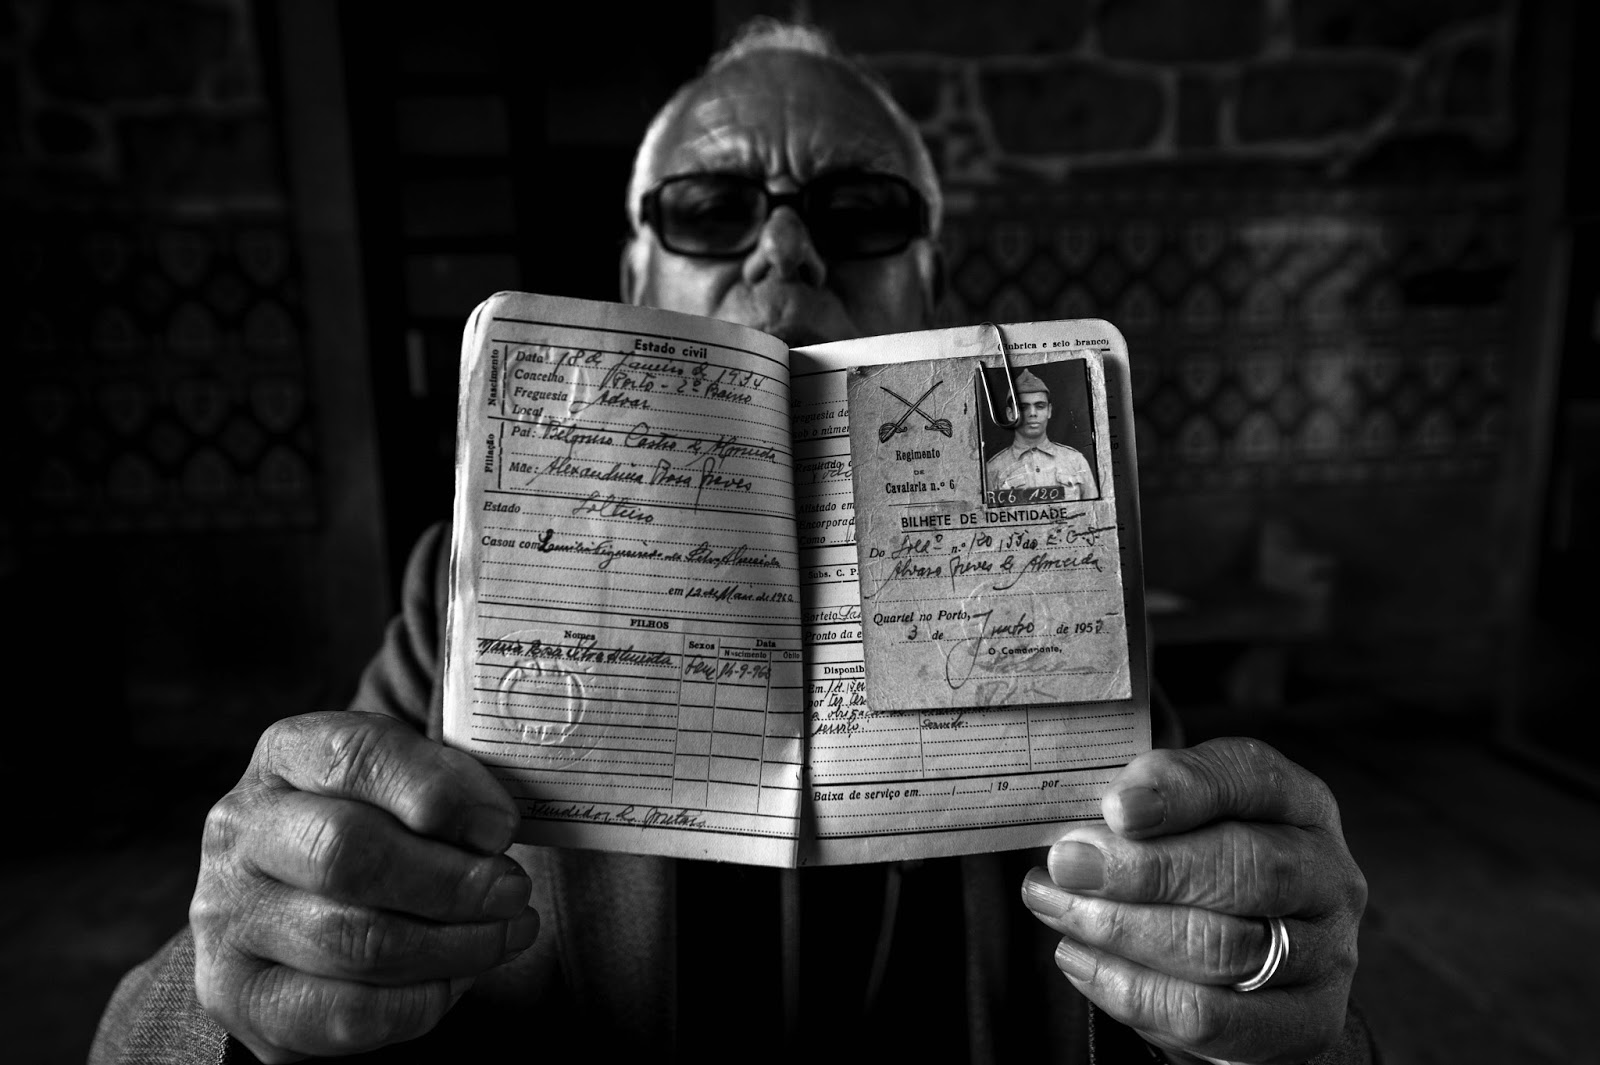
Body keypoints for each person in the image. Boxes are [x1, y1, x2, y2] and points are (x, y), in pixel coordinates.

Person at [91, 19, 1373, 1065]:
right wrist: (241, 988)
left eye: (861, 211)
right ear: (633, 280)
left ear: (930, 283)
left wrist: (1266, 1000)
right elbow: (197, 1005)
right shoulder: (457, 593)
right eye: (709, 209)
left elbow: (1215, 980)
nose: (786, 253)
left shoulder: (1066, 575)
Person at [985, 368, 1098, 500]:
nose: (1032, 413)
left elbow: (1095, 509)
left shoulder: (1076, 461)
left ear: (1049, 411)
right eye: (1022, 407)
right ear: (1010, 414)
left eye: (1040, 406)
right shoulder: (994, 469)